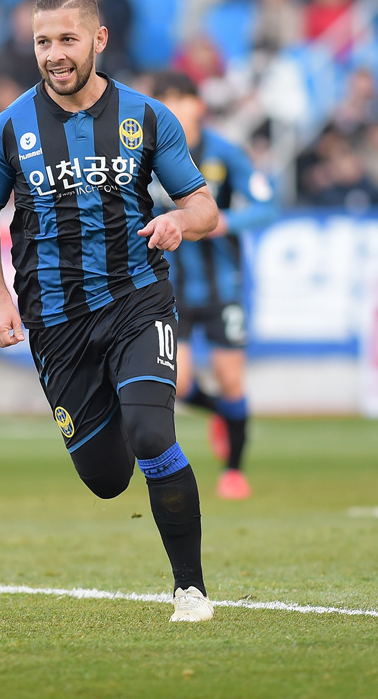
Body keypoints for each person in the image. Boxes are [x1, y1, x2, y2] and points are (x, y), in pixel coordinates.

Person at [0, 0, 219, 622]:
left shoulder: (147, 117)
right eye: (42, 41)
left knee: (152, 433)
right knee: (106, 479)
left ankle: (190, 590)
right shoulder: (8, 128)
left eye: (67, 39)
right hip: (56, 322)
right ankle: (123, 415)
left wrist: (179, 222)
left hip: (137, 299)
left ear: (98, 40)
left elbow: (204, 206)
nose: (53, 53)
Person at [148, 71, 276, 500]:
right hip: (171, 288)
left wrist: (225, 222)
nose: (173, 109)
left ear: (198, 105)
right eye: (164, 101)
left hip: (223, 286)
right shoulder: (147, 154)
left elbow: (267, 206)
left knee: (231, 379)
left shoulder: (225, 152)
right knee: (178, 383)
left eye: (180, 99)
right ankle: (223, 415)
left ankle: (234, 472)